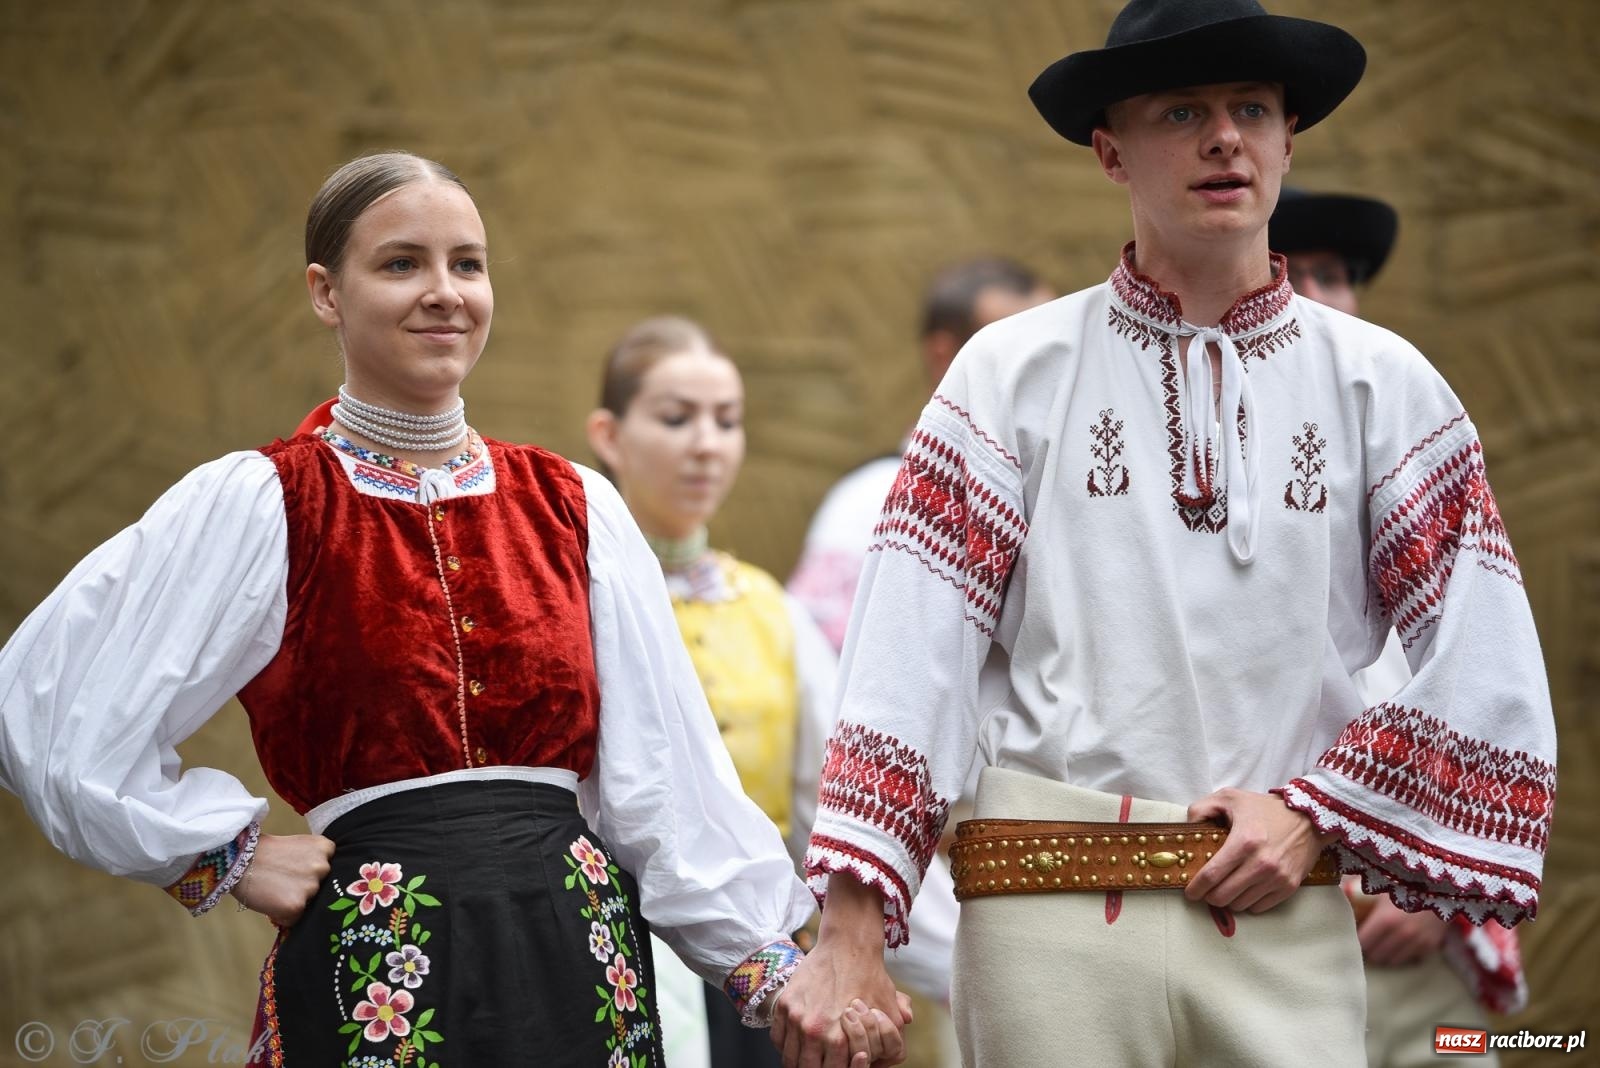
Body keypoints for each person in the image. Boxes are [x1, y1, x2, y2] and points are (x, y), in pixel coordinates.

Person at [775, 2, 1557, 1066]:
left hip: (1283, 911)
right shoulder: (1008, 375)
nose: (1224, 137)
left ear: (1288, 141)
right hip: (1044, 920)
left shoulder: (1385, 386)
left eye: (1252, 109)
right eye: (1182, 111)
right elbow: (907, 662)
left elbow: (1488, 660)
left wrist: (1316, 815)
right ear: (1110, 152)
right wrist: (850, 934)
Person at [0, 152, 901, 1067]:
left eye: (467, 264)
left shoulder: (573, 504)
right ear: (325, 293)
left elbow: (667, 784)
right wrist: (226, 855)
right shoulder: (268, 503)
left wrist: (776, 968)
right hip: (376, 967)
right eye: (402, 263)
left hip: (577, 963)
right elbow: (46, 705)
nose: (444, 292)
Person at [1273, 186, 1527, 1066]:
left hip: (1422, 955)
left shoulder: (1414, 444)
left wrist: (1436, 884)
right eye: (1292, 272)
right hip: (1264, 937)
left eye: (1336, 273)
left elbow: (1484, 677)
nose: (1318, 294)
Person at [787, 257, 1054, 1068]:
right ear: (947, 352)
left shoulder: (1066, 497)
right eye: (1008, 338)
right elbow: (843, 731)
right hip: (922, 886)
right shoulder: (865, 503)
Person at [583, 315, 848, 1068]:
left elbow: (823, 800)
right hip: (605, 948)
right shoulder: (570, 594)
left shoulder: (770, 609)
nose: (707, 444)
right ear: (609, 435)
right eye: (677, 418)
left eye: (727, 421)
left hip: (755, 958)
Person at [789, 257, 1055, 654]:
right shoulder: (869, 500)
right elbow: (819, 656)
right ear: (944, 356)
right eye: (1016, 352)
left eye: (1053, 353)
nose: (1043, 373)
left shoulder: (1070, 489)